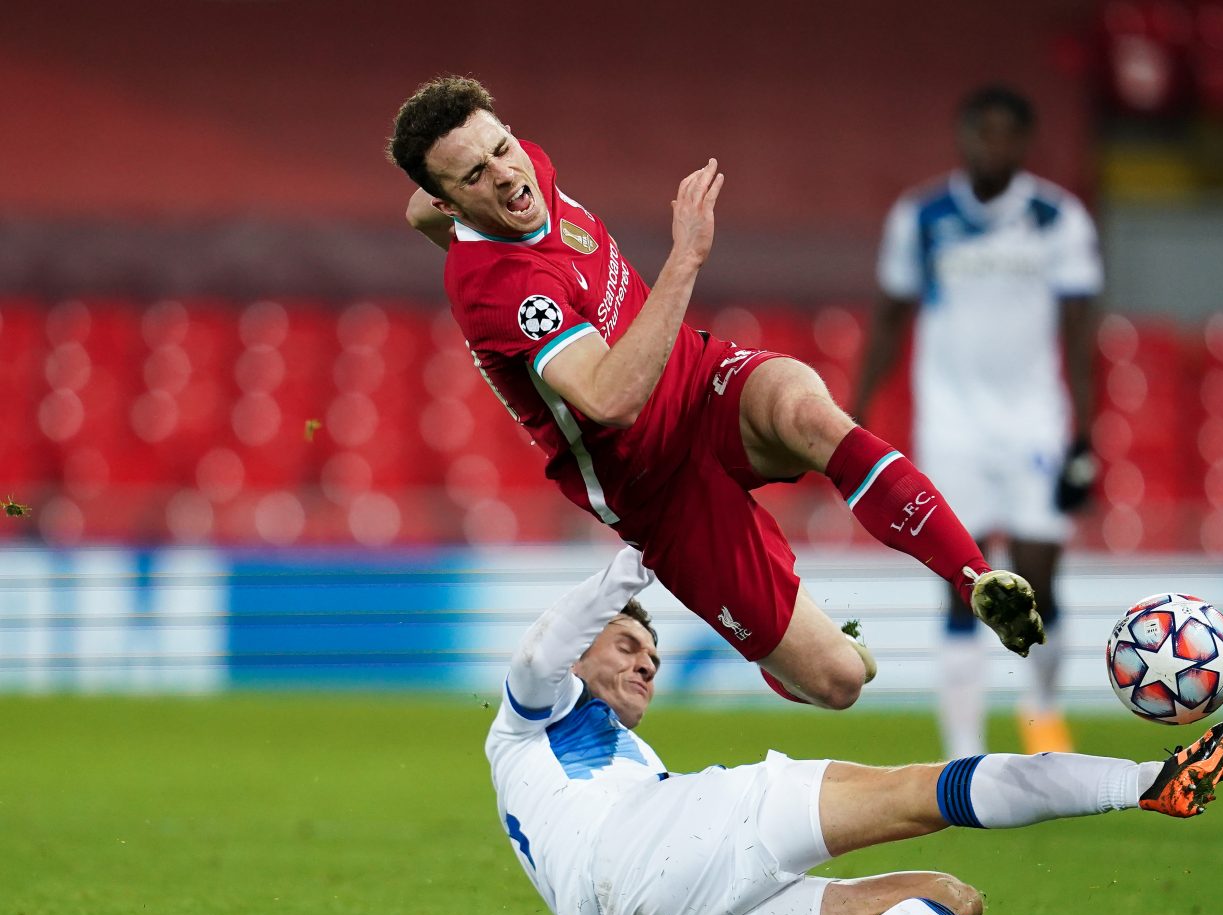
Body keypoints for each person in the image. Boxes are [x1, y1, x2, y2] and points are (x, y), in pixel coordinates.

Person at [387, 76, 1046, 713]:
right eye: (473, 176)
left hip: (699, 378)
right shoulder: (505, 293)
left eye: (499, 147)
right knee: (841, 682)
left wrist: (463, 183)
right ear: (450, 202)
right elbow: (612, 401)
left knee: (804, 409)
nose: (504, 175)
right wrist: (687, 258)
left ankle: (975, 577)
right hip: (654, 484)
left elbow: (426, 202)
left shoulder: (517, 169)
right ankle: (785, 662)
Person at [485, 546, 1223, 915]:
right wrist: (646, 546)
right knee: (915, 792)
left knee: (952, 898)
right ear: (581, 649)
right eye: (627, 644)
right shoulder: (531, 714)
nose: (646, 663)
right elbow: (543, 646)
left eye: (652, 651)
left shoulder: (606, 755)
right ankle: (1145, 782)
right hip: (660, 844)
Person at [853, 85, 1104, 757]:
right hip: (953, 425)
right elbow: (888, 314)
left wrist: (1085, 431)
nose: (991, 145)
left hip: (1034, 424)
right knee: (963, 584)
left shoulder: (1057, 218)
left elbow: (1081, 331)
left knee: (1038, 577)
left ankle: (1042, 709)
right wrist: (855, 406)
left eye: (1005, 134)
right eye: (980, 132)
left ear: (1024, 143)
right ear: (963, 138)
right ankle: (964, 751)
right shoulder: (922, 216)